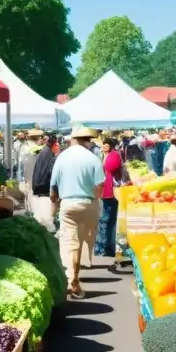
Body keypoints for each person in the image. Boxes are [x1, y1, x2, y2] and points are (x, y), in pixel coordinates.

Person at [51, 127, 104, 299]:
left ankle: (71, 280)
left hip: (68, 204)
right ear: (87, 140)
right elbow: (99, 185)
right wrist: (95, 201)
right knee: (80, 243)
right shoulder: (93, 158)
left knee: (69, 243)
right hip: (88, 203)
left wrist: (54, 202)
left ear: (73, 139)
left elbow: (53, 187)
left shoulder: (62, 157)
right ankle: (73, 280)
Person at [95, 139, 123, 260]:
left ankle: (104, 247)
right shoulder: (103, 155)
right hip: (105, 190)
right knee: (106, 220)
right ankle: (104, 247)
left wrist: (103, 160)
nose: (105, 147)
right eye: (104, 145)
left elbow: (110, 167)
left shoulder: (114, 156)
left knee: (106, 220)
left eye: (107, 146)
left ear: (111, 146)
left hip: (110, 191)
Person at [30, 133, 58, 231]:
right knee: (45, 221)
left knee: (40, 219)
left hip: (39, 189)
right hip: (43, 190)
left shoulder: (44, 151)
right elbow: (48, 172)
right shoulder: (48, 153)